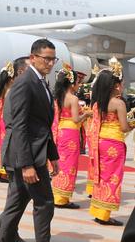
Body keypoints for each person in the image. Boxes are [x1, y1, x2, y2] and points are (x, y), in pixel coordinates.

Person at [0, 39, 73, 242]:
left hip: (33, 153)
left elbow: (42, 126)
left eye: (53, 59)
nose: (50, 63)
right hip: (24, 156)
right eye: (46, 58)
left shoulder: (41, 82)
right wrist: (27, 164)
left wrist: (53, 156)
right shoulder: (25, 84)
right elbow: (19, 127)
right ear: (33, 57)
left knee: (17, 204)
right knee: (45, 204)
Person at [0, 56, 34, 242]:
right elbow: (17, 125)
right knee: (19, 195)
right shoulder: (16, 91)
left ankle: (8, 230)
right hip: (17, 149)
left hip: (19, 149)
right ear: (21, 72)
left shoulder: (21, 89)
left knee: (18, 195)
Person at [88, 59, 133, 225]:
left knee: (102, 176)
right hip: (114, 142)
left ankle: (98, 210)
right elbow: (123, 127)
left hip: (101, 141)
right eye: (121, 83)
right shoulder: (118, 103)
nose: (122, 86)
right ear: (115, 85)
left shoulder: (99, 102)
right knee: (113, 177)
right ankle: (104, 214)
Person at [51, 64, 91, 209]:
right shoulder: (73, 99)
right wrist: (86, 114)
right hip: (70, 133)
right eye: (77, 82)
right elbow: (75, 119)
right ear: (71, 83)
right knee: (70, 165)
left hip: (61, 131)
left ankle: (57, 195)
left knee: (61, 163)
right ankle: (62, 199)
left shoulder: (58, 97)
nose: (78, 85)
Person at [0, 61, 15, 183]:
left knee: (1, 146)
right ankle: (4, 172)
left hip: (2, 121)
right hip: (7, 122)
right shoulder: (10, 91)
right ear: (11, 79)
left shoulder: (3, 90)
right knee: (7, 146)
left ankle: (1, 171)